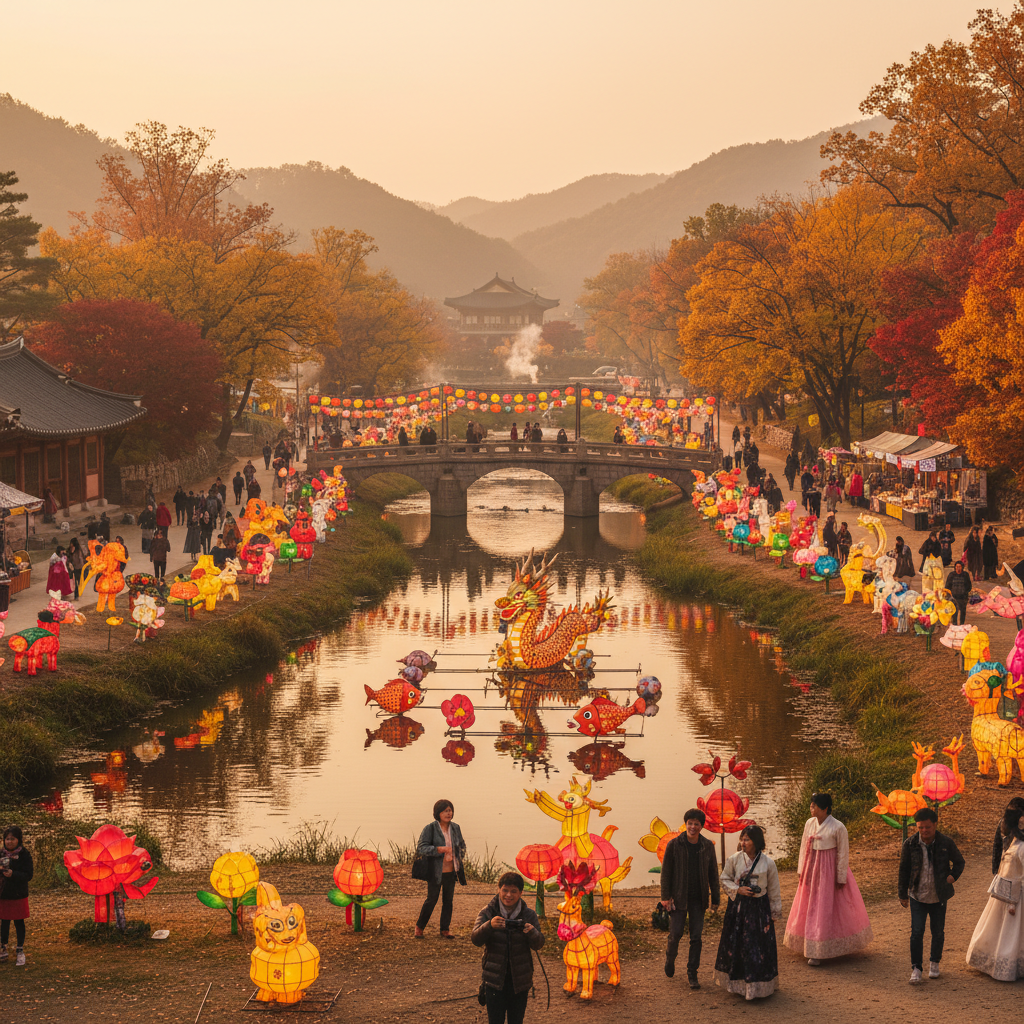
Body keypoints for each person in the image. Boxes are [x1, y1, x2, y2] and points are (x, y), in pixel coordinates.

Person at [783, 793, 872, 964]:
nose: (811, 808)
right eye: (811, 805)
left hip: (827, 870)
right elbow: (803, 846)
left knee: (824, 906)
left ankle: (820, 950)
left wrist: (840, 877)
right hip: (811, 867)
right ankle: (809, 944)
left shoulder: (838, 827)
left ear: (825, 809)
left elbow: (843, 854)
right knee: (809, 904)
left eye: (814, 806)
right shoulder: (809, 823)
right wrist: (801, 870)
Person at [714, 824, 781, 1000]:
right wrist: (738, 890)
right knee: (740, 945)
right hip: (739, 910)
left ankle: (759, 987)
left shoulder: (768, 863)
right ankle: (740, 986)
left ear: (756, 842)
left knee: (758, 947)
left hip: (760, 910)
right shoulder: (734, 859)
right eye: (742, 839)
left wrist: (774, 913)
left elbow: (774, 890)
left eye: (747, 839)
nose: (743, 843)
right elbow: (724, 878)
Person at [898, 807, 964, 984]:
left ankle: (935, 962)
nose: (924, 831)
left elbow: (959, 861)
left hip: (939, 896)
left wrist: (953, 876)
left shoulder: (946, 843)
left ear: (935, 824)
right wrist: (902, 894)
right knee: (916, 932)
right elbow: (903, 869)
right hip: (917, 895)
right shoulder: (910, 844)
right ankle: (916, 968)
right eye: (920, 828)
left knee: (938, 931)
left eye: (927, 827)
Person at [471, 872, 545, 1024]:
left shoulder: (529, 914)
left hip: (520, 981)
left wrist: (532, 932)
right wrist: (489, 926)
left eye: (514, 891)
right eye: (505, 890)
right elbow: (476, 939)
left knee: (516, 1021)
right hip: (494, 980)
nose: (508, 895)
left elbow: (539, 944)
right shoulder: (488, 912)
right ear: (499, 889)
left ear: (521, 893)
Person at [661, 807, 720, 988]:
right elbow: (666, 872)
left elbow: (713, 874)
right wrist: (665, 897)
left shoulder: (707, 846)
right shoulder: (674, 844)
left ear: (701, 826)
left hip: (698, 898)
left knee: (696, 937)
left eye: (696, 824)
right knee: (675, 934)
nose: (693, 827)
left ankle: (692, 973)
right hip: (678, 898)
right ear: (685, 824)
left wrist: (715, 899)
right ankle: (670, 959)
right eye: (690, 823)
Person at [966, 804, 1024, 980]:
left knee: (1013, 932)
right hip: (1003, 892)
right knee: (999, 927)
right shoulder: (1012, 841)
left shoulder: (1021, 846)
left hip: (1018, 895)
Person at [415, 799, 467, 938]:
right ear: (438, 813)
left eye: (450, 810)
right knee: (431, 900)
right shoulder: (430, 828)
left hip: (451, 870)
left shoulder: (456, 828)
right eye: (445, 811)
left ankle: (445, 929)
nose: (448, 813)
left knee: (448, 901)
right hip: (435, 871)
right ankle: (419, 927)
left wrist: (457, 855)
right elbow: (421, 848)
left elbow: (462, 846)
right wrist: (439, 849)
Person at [0, 825, 33, 967]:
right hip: (3, 893)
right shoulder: (0, 854)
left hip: (19, 893)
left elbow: (29, 875)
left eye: (12, 839)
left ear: (18, 840)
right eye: (7, 839)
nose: (9, 842)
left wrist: (14, 874)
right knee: (4, 921)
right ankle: (3, 947)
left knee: (19, 921)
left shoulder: (24, 854)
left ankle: (20, 949)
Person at [993, 798, 1024, 874]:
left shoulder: (1004, 822)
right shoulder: (1004, 823)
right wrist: (995, 869)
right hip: (1009, 868)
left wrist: (995, 869)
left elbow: (997, 845)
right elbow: (998, 845)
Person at [945, 560, 973, 625]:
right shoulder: (951, 575)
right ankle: (954, 624)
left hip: (963, 598)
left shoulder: (965, 575)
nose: (958, 568)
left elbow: (969, 586)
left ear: (962, 567)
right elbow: (947, 586)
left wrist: (965, 592)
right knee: (954, 612)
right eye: (957, 567)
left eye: (959, 567)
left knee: (963, 612)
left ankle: (962, 624)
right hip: (954, 597)